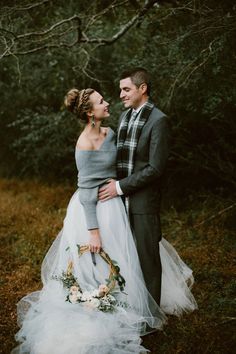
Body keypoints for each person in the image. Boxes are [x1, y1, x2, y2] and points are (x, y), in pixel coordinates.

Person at [12, 87, 197, 354]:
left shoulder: (110, 133)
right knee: (97, 263)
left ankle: (128, 302)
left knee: (123, 257)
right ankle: (96, 305)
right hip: (92, 212)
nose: (108, 103)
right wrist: (93, 232)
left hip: (114, 206)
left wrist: (121, 185)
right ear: (90, 112)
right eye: (101, 102)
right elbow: (86, 192)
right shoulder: (84, 143)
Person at [98, 68, 167, 305]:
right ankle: (131, 306)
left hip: (143, 202)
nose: (121, 95)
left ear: (142, 88)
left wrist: (120, 187)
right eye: (120, 90)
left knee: (147, 260)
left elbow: (156, 168)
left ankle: (153, 318)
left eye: (126, 89)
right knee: (123, 256)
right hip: (120, 201)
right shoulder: (125, 117)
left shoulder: (159, 121)